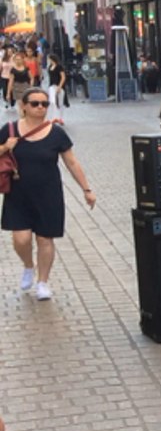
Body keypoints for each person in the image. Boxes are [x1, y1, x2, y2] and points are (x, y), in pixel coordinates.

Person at [0, 88, 96, 301]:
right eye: (35, 104)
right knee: (21, 239)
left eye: (44, 104)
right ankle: (28, 266)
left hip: (48, 193)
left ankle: (43, 282)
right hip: (18, 194)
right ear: (24, 106)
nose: (40, 108)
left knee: (45, 239)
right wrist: (6, 146)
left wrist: (86, 189)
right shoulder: (9, 129)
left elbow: (71, 161)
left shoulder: (56, 133)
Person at [45, 53, 67, 121]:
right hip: (52, 85)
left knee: (60, 102)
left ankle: (60, 117)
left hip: (59, 85)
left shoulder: (59, 67)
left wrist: (60, 86)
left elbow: (63, 77)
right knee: (52, 101)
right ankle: (54, 117)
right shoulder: (50, 66)